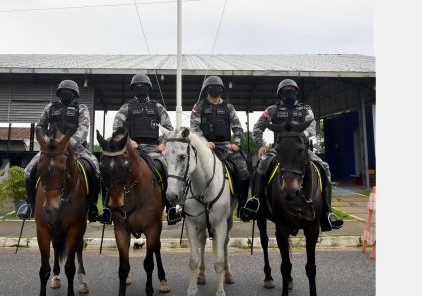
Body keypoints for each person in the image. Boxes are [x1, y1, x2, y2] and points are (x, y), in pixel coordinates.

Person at [240, 79, 344, 231]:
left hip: (300, 149)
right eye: (285, 90)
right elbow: (258, 127)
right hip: (279, 149)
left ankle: (327, 212)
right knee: (261, 166)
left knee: (325, 167)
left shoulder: (305, 109)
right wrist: (261, 144)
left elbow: (312, 127)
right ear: (280, 93)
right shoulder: (272, 110)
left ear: (296, 92)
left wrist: (300, 136)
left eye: (292, 89)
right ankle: (256, 201)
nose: (289, 92)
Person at [96, 73, 181, 225]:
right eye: (136, 87)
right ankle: (108, 209)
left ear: (148, 88)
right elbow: (117, 128)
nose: (140, 88)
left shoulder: (158, 107)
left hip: (153, 149)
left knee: (165, 167)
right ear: (133, 89)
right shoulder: (126, 107)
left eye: (143, 86)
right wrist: (128, 141)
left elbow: (168, 128)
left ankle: (171, 208)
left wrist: (163, 144)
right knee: (109, 169)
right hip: (130, 149)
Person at [16, 80, 100, 222]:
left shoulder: (82, 108)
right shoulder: (49, 107)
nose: (65, 93)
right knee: (28, 171)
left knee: (96, 169)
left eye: (69, 91)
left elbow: (83, 128)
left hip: (76, 149)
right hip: (51, 149)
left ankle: (92, 206)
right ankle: (29, 204)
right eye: (62, 91)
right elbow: (40, 127)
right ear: (59, 94)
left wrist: (67, 144)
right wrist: (45, 143)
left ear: (75, 94)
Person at [189, 76, 250, 218]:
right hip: (205, 147)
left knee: (244, 173)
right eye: (211, 87)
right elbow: (194, 128)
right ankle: (180, 205)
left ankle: (243, 206)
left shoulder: (229, 107)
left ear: (222, 90)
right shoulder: (198, 107)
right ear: (206, 90)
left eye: (218, 87)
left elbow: (238, 128)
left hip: (226, 147)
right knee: (186, 169)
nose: (215, 89)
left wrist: (236, 143)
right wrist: (204, 142)